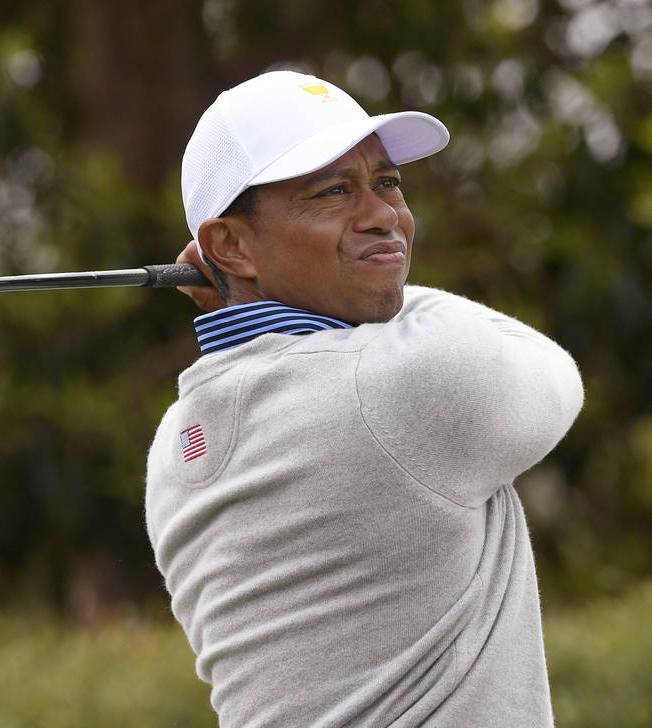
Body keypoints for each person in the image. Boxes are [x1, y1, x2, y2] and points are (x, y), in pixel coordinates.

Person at [145, 71, 584, 728]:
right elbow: (556, 376)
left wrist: (258, 294)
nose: (384, 216)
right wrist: (368, 281)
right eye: (333, 192)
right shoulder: (402, 384)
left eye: (387, 182)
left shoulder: (174, 444)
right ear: (229, 245)